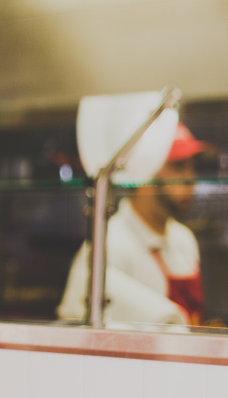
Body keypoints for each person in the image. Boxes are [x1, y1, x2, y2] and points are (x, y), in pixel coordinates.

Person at [57, 122, 214, 326]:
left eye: (192, 167)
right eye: (178, 166)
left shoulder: (184, 238)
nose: (190, 179)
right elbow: (73, 324)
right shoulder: (108, 243)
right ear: (144, 171)